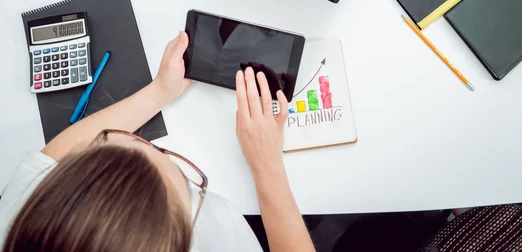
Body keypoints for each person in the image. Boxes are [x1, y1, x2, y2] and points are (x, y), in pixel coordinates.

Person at [0, 32, 315, 252]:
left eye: (113, 142)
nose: (151, 146)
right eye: (182, 179)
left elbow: (52, 158)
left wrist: (160, 91)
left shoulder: (20, 215)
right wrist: (267, 166)